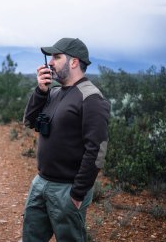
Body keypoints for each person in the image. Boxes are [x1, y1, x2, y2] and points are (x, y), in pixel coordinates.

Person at [22, 38, 110, 242]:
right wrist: (40, 91)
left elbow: (96, 150)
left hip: (67, 190)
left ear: (74, 62)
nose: (50, 62)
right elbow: (29, 121)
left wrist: (78, 193)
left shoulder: (91, 98)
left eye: (56, 57)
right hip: (41, 182)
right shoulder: (53, 92)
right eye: (51, 57)